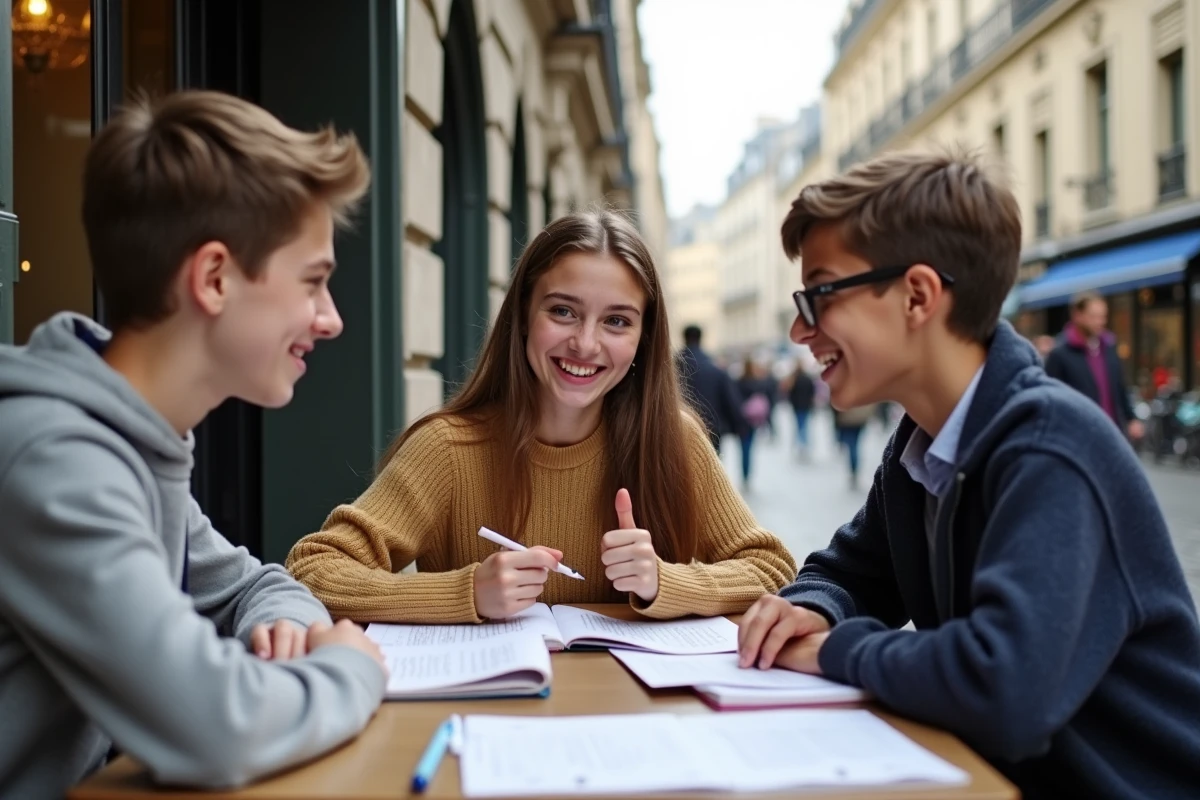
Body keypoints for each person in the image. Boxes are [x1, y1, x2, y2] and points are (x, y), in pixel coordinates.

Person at [737, 151, 1200, 799]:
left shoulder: (1050, 448)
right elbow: (846, 572)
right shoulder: (920, 444)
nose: (799, 329)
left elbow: (1002, 688)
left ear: (918, 296)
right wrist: (811, 609)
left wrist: (835, 649)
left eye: (818, 295)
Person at [0, 91, 388, 797]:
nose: (330, 320)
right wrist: (349, 665)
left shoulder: (138, 437)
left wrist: (284, 624)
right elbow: (215, 727)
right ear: (213, 278)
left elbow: (256, 584)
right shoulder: (57, 460)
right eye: (314, 282)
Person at [286, 210, 796, 624]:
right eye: (563, 311)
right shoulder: (448, 448)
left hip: (633, 725)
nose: (586, 343)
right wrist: (466, 593)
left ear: (643, 338)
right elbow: (313, 569)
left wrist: (666, 581)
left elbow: (772, 569)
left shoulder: (674, 440)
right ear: (523, 316)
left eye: (616, 321)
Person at [1044, 291, 1143, 442]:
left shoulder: (1109, 346)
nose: (1100, 322)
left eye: (1103, 317)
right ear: (1077, 315)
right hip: (1079, 436)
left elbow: (1120, 387)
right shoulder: (1060, 353)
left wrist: (1131, 418)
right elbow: (1051, 399)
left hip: (1113, 432)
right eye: (1094, 316)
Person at [677, 324, 747, 453]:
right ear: (700, 339)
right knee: (710, 470)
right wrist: (740, 425)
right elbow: (730, 399)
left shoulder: (671, 368)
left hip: (677, 430)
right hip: (711, 430)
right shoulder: (715, 369)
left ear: (684, 338)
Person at [784, 363, 816, 458]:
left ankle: (800, 444)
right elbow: (812, 392)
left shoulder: (794, 380)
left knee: (799, 425)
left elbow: (789, 394)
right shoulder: (807, 379)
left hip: (797, 406)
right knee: (804, 425)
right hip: (805, 406)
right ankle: (804, 444)